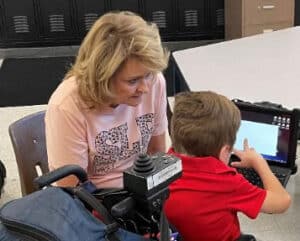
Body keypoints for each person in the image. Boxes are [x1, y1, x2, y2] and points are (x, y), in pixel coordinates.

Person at [45, 11, 170, 188]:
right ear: (102, 77)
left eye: (148, 75)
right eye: (132, 81)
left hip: (140, 187)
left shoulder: (155, 81)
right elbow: (72, 190)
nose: (145, 88)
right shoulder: (66, 105)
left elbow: (157, 155)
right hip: (95, 199)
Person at [164, 91, 291, 241]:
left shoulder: (166, 165)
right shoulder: (226, 181)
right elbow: (282, 201)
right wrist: (259, 162)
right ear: (225, 150)